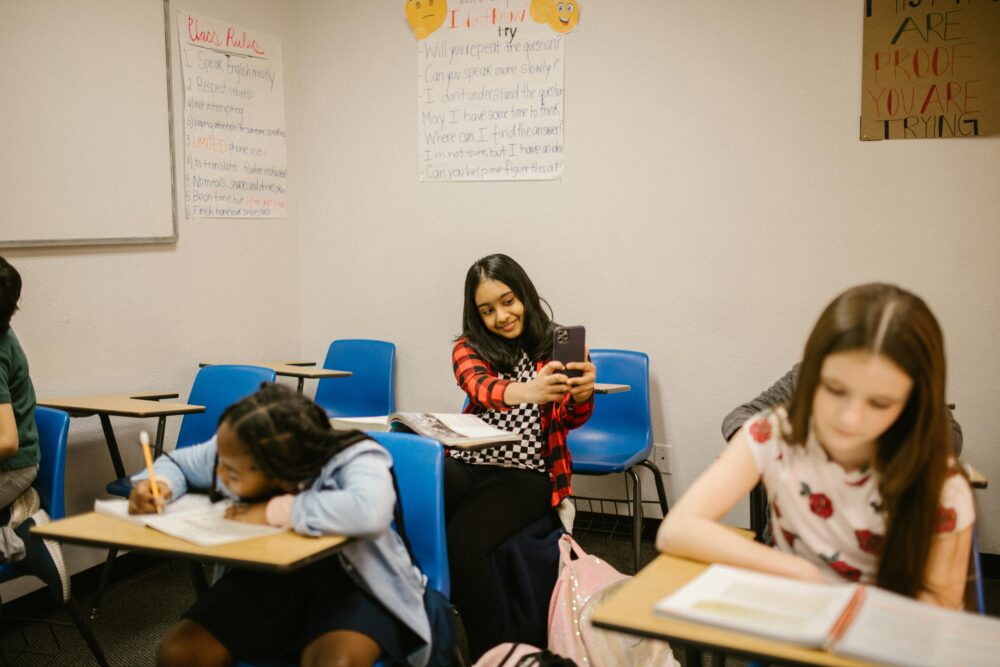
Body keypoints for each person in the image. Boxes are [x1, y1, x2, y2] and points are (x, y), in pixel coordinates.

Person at [657, 283, 974, 608]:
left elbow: (937, 614)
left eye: (880, 403)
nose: (850, 419)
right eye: (834, 389)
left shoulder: (944, 484)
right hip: (796, 617)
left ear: (913, 403)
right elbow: (677, 529)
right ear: (811, 374)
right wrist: (799, 571)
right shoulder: (774, 432)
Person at [130, 384, 432, 667]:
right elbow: (179, 463)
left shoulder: (354, 455)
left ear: (281, 474)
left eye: (232, 474)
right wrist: (157, 484)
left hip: (351, 581)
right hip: (264, 578)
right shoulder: (236, 448)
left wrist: (272, 510)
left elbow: (370, 512)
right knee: (180, 654)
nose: (218, 473)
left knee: (334, 662)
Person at [449, 253, 596, 657]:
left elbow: (570, 418)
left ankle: (494, 656)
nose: (501, 316)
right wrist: (527, 391)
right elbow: (479, 387)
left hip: (529, 473)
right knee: (415, 489)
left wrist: (580, 395)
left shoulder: (558, 346)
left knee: (463, 544)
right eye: (487, 310)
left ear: (526, 296)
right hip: (471, 460)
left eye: (508, 301)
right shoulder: (469, 347)